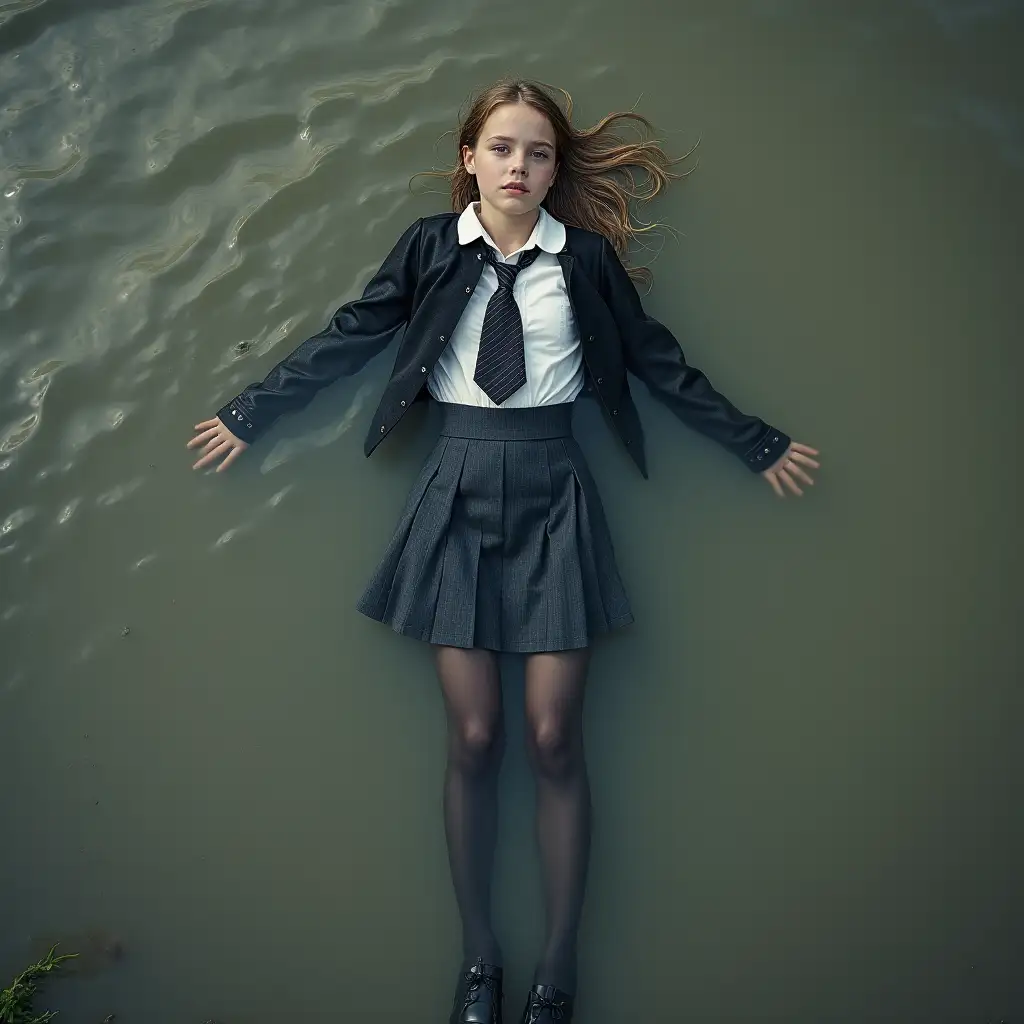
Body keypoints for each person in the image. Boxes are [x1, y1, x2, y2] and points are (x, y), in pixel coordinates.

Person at [186, 78, 820, 1024]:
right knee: (476, 737)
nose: (519, 167)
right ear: (468, 160)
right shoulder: (431, 249)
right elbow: (354, 333)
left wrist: (755, 441)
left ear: (557, 169)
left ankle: (556, 968)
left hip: (557, 491)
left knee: (557, 736)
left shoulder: (589, 261)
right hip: (454, 490)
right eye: (502, 149)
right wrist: (251, 412)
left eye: (538, 153)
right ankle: (480, 959)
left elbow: (657, 361)